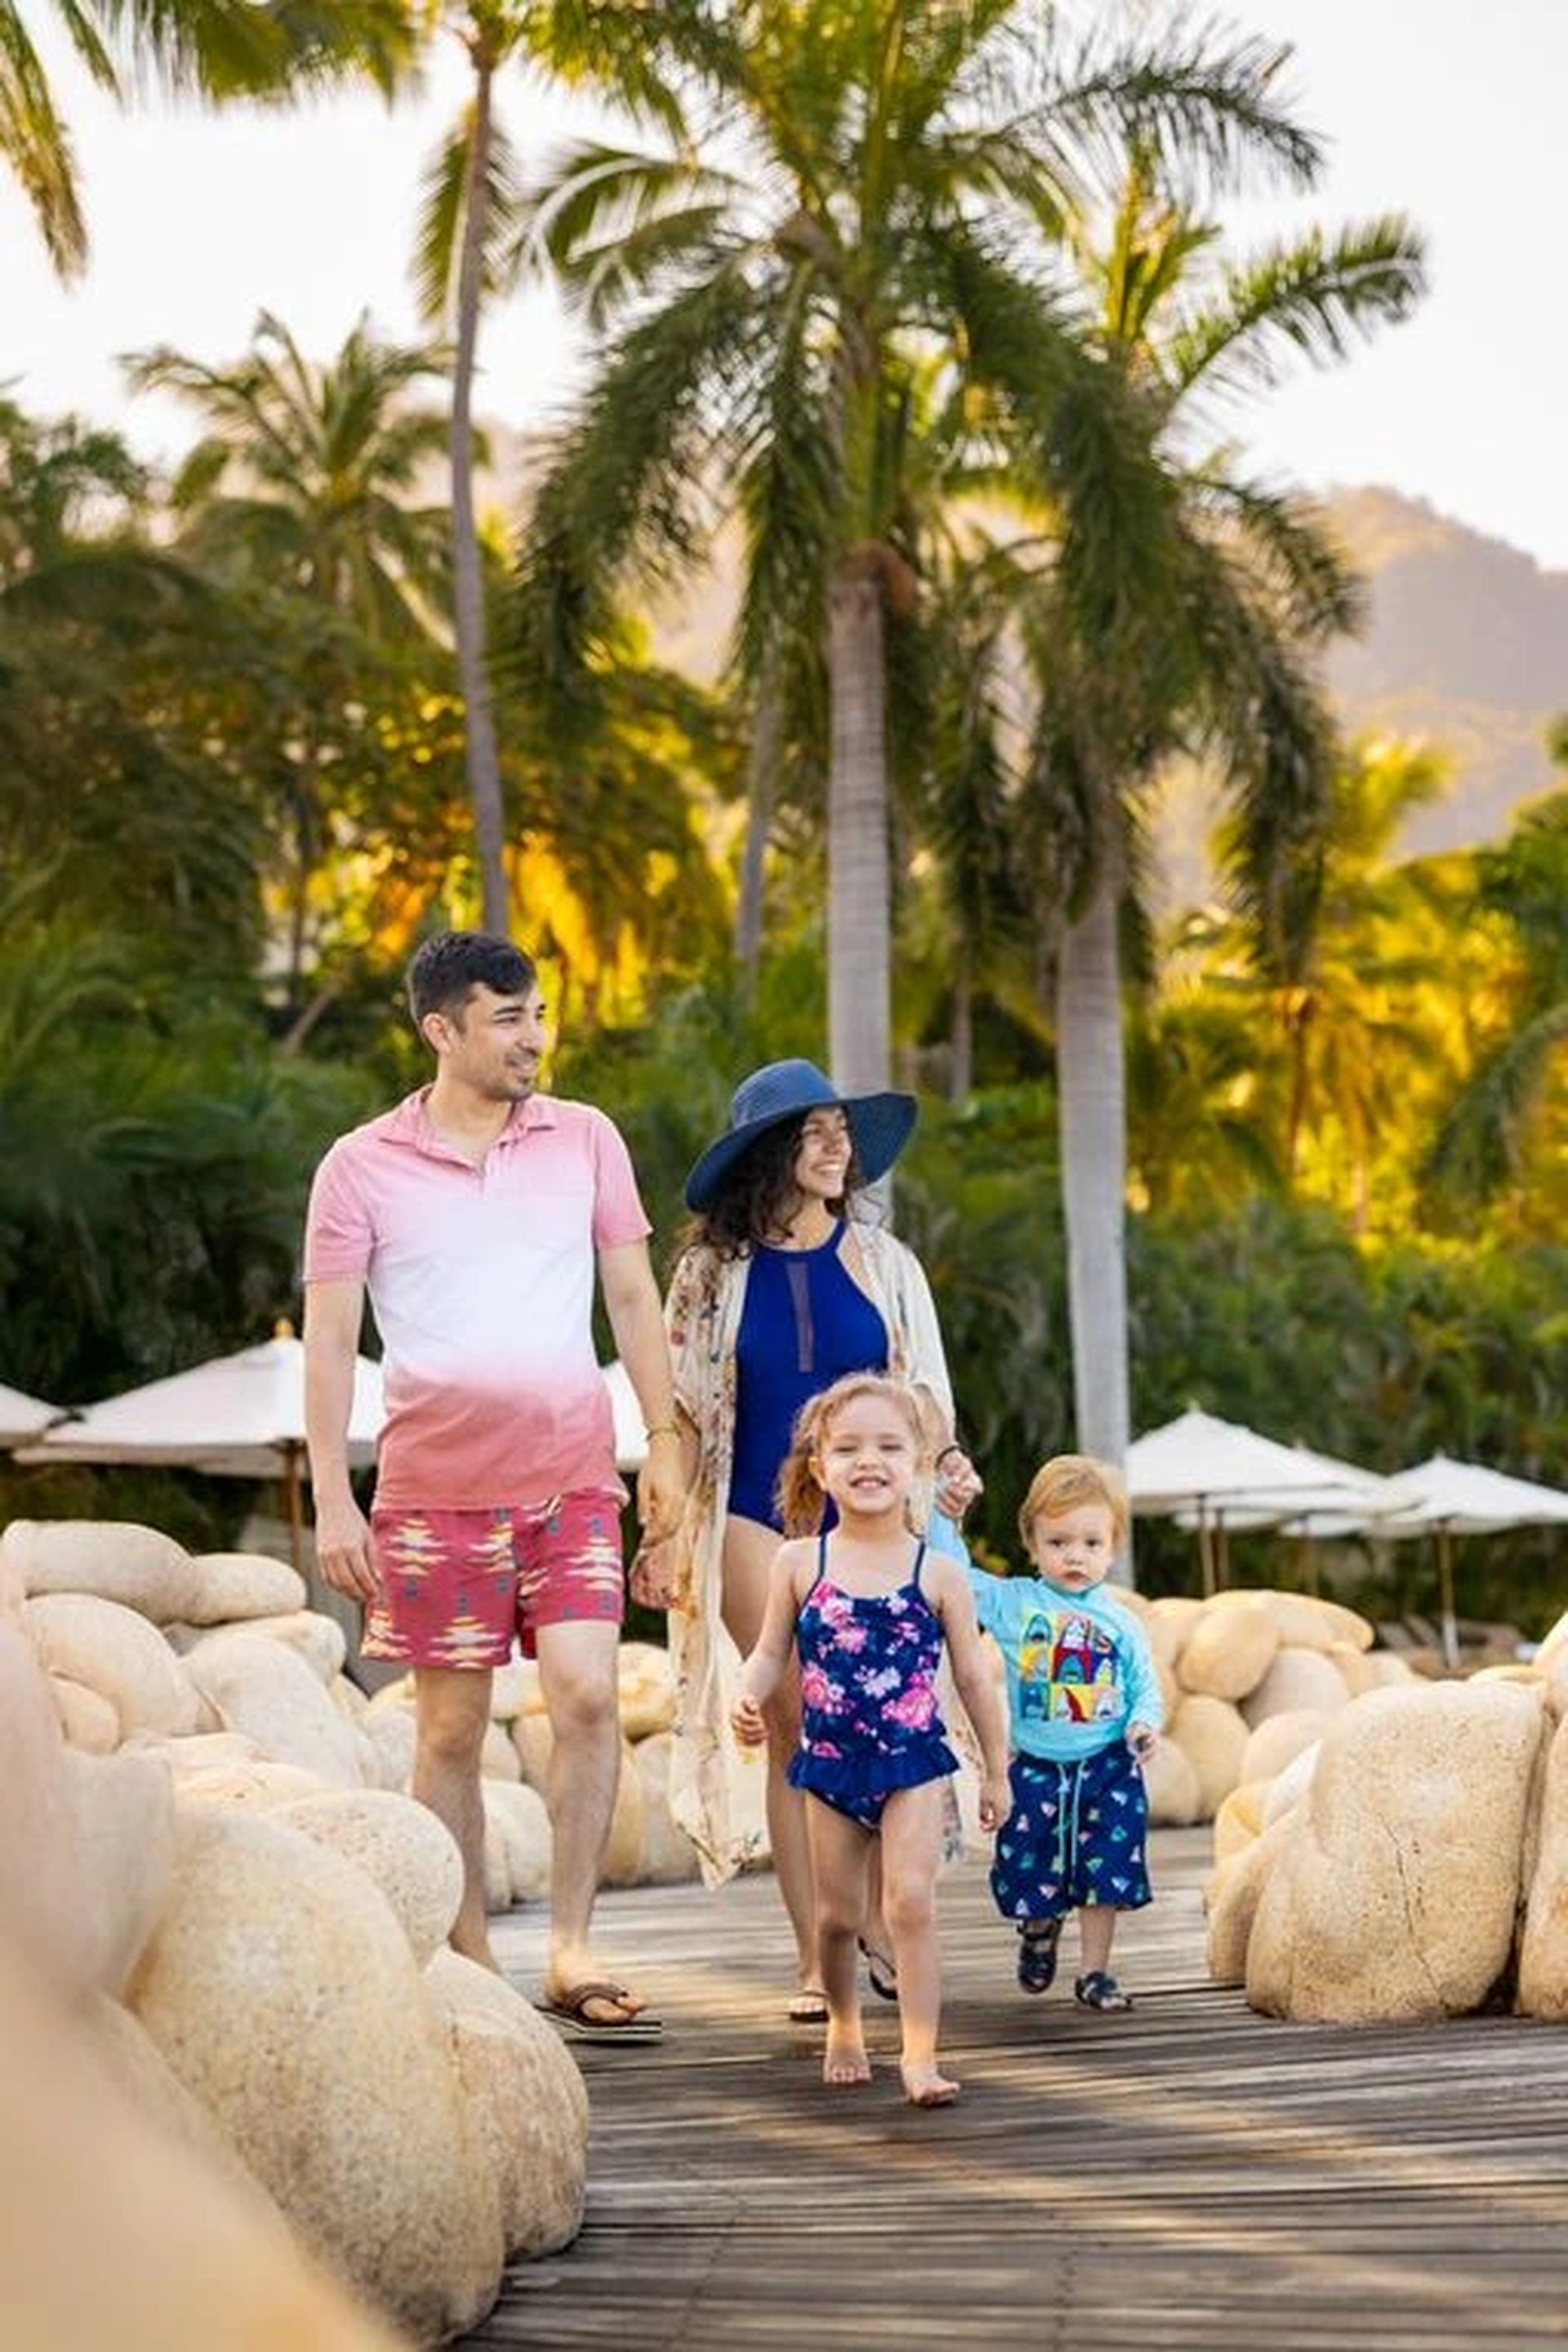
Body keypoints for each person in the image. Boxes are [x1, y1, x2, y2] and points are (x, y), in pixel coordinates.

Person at [301, 929, 685, 2041]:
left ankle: (571, 1947)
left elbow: (632, 1296)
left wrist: (663, 1437)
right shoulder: (358, 1165)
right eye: (508, 1018)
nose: (534, 1038)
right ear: (442, 1029)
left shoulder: (587, 1139)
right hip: (432, 1493)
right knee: (450, 1734)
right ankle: (473, 1965)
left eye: (538, 1014)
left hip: (572, 1477)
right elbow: (329, 1344)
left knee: (587, 1695)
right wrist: (333, 1496)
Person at [636, 1057, 982, 2023]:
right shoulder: (709, 1276)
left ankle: (874, 1917)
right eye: (814, 1130)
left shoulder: (886, 1264)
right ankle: (817, 1952)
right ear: (769, 1151)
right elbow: (686, 1411)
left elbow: (923, 1393)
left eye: (842, 1130)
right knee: (797, 1723)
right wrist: (664, 1529)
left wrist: (947, 1462)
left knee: (883, 1721)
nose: (837, 1146)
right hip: (756, 1515)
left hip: (877, 1525)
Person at [730, 1374, 1011, 2104]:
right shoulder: (800, 1563)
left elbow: (974, 1678)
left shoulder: (938, 1573)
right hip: (829, 1766)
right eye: (848, 1448)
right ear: (820, 1468)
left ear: (918, 1464)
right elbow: (769, 1652)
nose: (869, 1461)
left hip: (912, 1763)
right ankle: (845, 2025)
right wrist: (748, 1696)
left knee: (911, 1903)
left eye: (889, 1446)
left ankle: (920, 2055)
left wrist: (996, 1771)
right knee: (836, 1918)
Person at [969, 1454, 1163, 2012]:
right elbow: (951, 1572)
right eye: (1058, 1542)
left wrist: (1143, 1725)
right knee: (1028, 1864)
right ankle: (1038, 1926)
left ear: (1113, 1547)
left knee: (1105, 1869)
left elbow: (1145, 1688)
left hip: (1107, 1767)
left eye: (1091, 1543)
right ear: (1031, 1543)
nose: (1075, 1555)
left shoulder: (1121, 1622)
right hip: (1036, 1768)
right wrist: (941, 1508)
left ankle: (1094, 1973)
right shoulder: (1014, 1604)